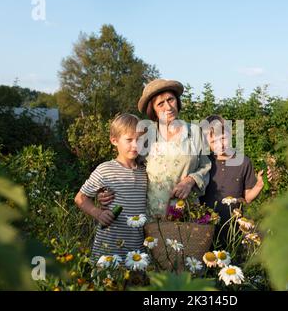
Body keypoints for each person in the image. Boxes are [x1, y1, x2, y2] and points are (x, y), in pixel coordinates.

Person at [98, 79, 211, 220]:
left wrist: (190, 180)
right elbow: (126, 165)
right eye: (160, 104)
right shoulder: (145, 135)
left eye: (171, 99)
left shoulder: (194, 131)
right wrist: (106, 191)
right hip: (153, 214)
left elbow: (205, 166)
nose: (168, 107)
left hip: (187, 211)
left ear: (177, 101)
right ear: (153, 110)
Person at [74, 114, 147, 262]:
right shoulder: (105, 170)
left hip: (136, 249)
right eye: (129, 140)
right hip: (109, 246)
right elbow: (80, 198)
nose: (135, 145)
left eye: (139, 140)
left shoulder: (145, 171)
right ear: (114, 140)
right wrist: (97, 213)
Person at [199, 114, 272, 247]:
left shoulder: (243, 162)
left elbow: (247, 198)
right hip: (206, 228)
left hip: (233, 228)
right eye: (213, 141)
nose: (219, 145)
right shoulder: (203, 162)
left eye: (223, 138)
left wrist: (260, 185)